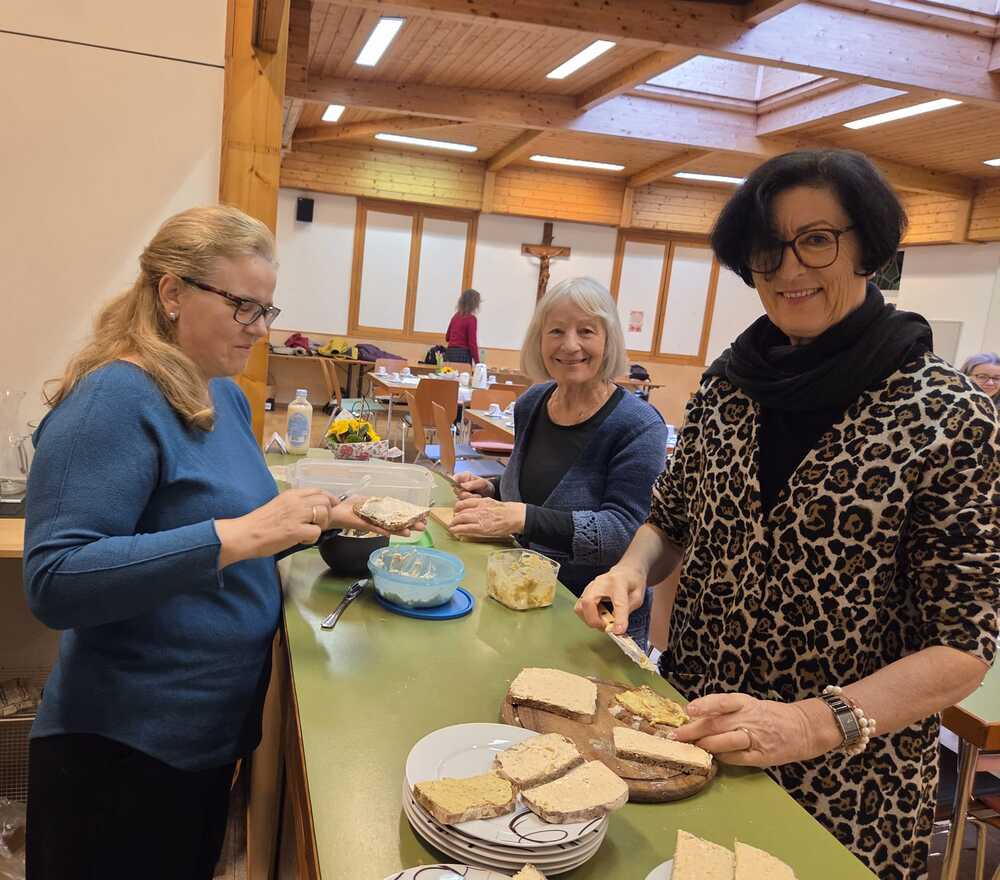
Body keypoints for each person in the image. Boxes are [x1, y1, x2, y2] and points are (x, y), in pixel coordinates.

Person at [575, 149, 999, 879]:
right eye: (769, 248)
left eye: (817, 239)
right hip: (694, 737)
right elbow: (669, 521)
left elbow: (964, 646)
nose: (789, 267)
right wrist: (630, 571)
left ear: (867, 246)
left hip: (847, 787)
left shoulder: (948, 415)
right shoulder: (729, 387)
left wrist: (808, 722)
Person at [22, 206, 416, 880]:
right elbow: (55, 580)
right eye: (243, 306)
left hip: (205, 737)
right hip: (122, 748)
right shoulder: (112, 399)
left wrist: (326, 517)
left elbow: (237, 527)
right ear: (172, 292)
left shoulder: (221, 395)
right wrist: (237, 535)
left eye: (267, 309)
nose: (260, 329)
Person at [450, 277, 667, 646]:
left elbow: (626, 533)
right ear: (539, 340)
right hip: (519, 599)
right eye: (556, 331)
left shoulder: (639, 425)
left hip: (596, 624)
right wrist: (493, 489)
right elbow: (540, 488)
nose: (570, 345)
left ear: (608, 339)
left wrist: (522, 517)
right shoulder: (532, 402)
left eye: (586, 331)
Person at [445, 288, 481, 364]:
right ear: (474, 304)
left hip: (449, 354)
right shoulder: (471, 319)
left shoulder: (455, 317)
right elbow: (472, 343)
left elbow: (447, 337)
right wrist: (478, 362)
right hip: (462, 355)